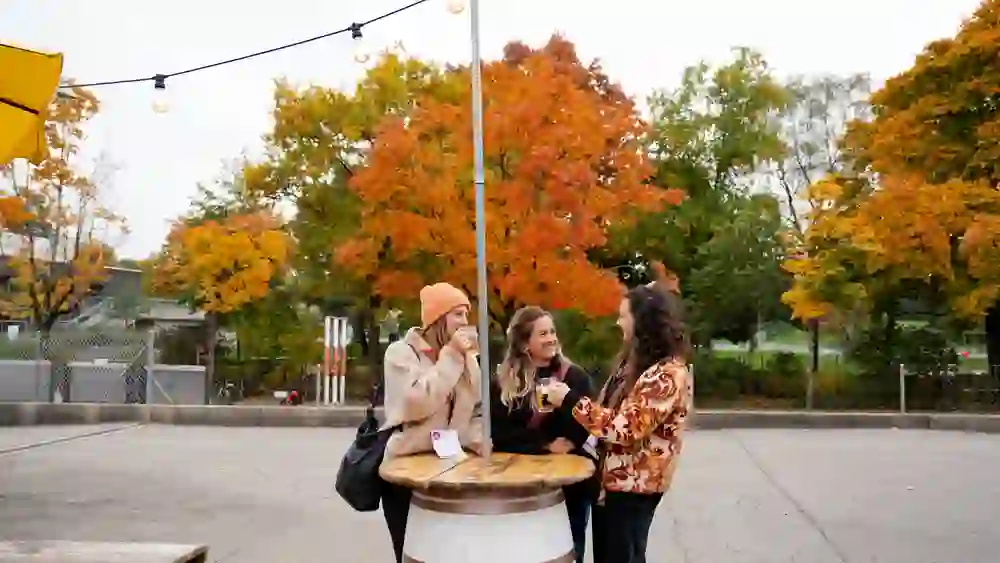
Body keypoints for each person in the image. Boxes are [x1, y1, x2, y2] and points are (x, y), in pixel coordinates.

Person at [542, 278, 691, 563]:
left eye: (624, 316)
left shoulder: (666, 373)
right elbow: (606, 412)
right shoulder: (635, 362)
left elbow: (624, 428)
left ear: (643, 321)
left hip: (634, 488)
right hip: (614, 483)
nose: (619, 323)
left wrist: (569, 400)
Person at [378, 283, 484, 563]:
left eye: (466, 315)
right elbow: (416, 403)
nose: (465, 323)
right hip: (407, 470)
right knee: (414, 555)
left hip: (451, 469)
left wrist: (479, 440)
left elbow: (476, 408)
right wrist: (449, 357)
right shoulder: (401, 353)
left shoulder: (466, 358)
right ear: (438, 318)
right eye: (458, 315)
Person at [490, 306, 597, 563]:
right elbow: (499, 433)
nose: (551, 338)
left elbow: (585, 430)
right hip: (521, 486)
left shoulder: (574, 377)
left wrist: (565, 402)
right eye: (542, 333)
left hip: (570, 485)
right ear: (525, 342)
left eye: (552, 332)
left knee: (569, 550)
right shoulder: (505, 380)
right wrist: (544, 444)